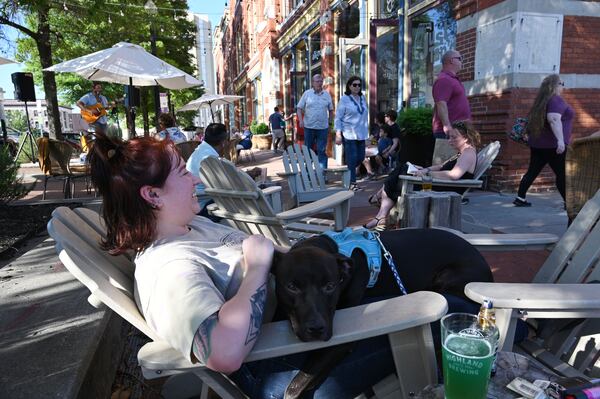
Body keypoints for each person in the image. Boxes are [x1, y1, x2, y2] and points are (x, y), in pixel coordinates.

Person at [88, 131, 487, 398]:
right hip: (283, 370)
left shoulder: (190, 227)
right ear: (152, 195)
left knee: (452, 305)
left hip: (303, 331)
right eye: (182, 174)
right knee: (460, 318)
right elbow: (223, 354)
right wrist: (259, 268)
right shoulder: (168, 267)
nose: (194, 180)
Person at [364, 121, 479, 230]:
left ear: (466, 137)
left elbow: (454, 175)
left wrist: (426, 174)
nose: (450, 141)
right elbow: (440, 166)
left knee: (401, 172)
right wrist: (425, 169)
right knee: (402, 169)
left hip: (442, 189)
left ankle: (379, 207)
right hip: (437, 184)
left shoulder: (468, 153)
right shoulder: (461, 153)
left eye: (454, 137)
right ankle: (380, 215)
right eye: (450, 137)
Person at [514, 74, 573, 207]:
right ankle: (568, 203)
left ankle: (520, 198)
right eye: (561, 84)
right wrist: (560, 141)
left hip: (538, 144)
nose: (563, 87)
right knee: (562, 174)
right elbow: (553, 119)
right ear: (555, 85)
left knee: (532, 171)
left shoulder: (542, 101)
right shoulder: (556, 100)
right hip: (553, 146)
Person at [186, 123, 229, 219]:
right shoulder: (210, 158)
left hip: (196, 203)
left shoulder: (199, 152)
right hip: (205, 207)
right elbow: (226, 186)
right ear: (223, 142)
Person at [335, 76, 369, 190]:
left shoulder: (362, 98)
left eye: (359, 85)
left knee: (361, 157)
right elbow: (338, 118)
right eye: (354, 85)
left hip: (361, 134)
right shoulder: (344, 99)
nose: (357, 87)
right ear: (349, 86)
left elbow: (364, 116)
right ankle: (352, 183)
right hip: (349, 133)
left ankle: (348, 176)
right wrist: (338, 134)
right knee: (352, 158)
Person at [297, 74, 334, 170]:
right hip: (309, 127)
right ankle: (308, 173)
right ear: (313, 83)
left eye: (321, 81)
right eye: (317, 81)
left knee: (322, 151)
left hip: (323, 128)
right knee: (308, 151)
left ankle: (323, 174)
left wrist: (330, 123)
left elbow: (331, 110)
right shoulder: (307, 94)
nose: (319, 83)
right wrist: (301, 121)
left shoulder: (327, 94)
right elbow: (299, 108)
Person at [432, 50, 471, 139]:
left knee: (460, 154)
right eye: (460, 59)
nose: (462, 62)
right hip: (449, 132)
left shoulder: (452, 79)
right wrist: (446, 126)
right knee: (449, 154)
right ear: (452, 60)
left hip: (458, 130)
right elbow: (441, 103)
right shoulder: (444, 79)